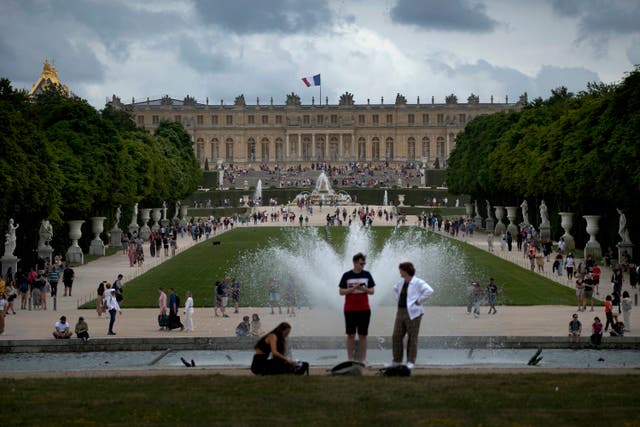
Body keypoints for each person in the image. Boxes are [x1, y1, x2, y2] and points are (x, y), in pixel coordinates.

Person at [390, 262, 433, 369]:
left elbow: (429, 290)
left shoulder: (418, 282)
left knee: (412, 337)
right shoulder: (401, 282)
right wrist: (399, 300)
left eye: (400, 270)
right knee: (396, 336)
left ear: (405, 271)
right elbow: (395, 289)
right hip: (400, 311)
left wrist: (419, 300)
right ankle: (397, 361)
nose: (399, 272)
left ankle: (410, 361)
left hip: (414, 313)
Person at [338, 252, 376, 363]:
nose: (363, 265)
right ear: (355, 262)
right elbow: (341, 292)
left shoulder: (367, 275)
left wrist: (363, 289)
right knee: (350, 335)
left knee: (363, 335)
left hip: (364, 309)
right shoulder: (347, 275)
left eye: (364, 263)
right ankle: (350, 359)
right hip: (350, 310)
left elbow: (372, 291)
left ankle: (363, 360)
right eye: (361, 263)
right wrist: (351, 289)